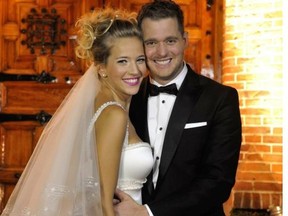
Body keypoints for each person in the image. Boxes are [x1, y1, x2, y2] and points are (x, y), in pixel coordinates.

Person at [1, 8, 153, 216]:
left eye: (140, 59)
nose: (135, 70)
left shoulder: (96, 104)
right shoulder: (114, 115)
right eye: (122, 61)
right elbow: (103, 200)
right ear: (101, 67)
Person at [113, 0, 242, 215]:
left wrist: (148, 213)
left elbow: (218, 183)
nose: (161, 52)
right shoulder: (126, 99)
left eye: (170, 40)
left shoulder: (220, 98)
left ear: (184, 41)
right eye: (151, 42)